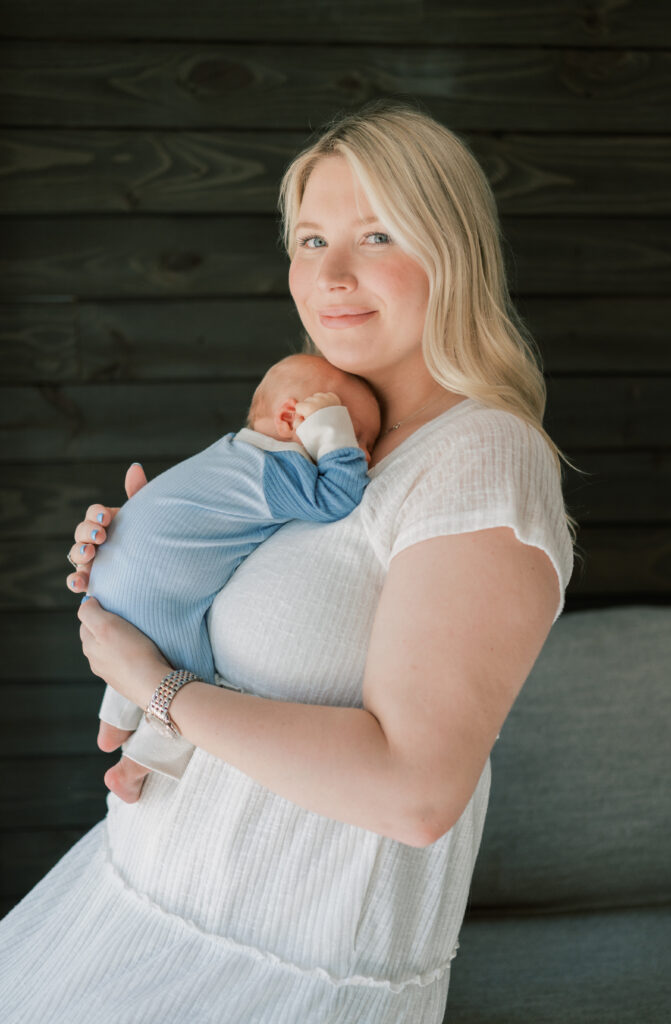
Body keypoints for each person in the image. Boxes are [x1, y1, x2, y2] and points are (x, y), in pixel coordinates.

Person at [0, 101, 575, 1023]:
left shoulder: (480, 460)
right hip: (137, 906)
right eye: (310, 240)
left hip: (273, 974)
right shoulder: (313, 430)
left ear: (454, 252)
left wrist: (156, 688)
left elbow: (416, 793)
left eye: (376, 235)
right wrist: (148, 552)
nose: (331, 274)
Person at [89, 353, 381, 803]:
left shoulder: (231, 451)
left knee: (141, 639)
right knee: (186, 686)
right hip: (156, 587)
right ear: (292, 419)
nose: (364, 456)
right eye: (353, 434)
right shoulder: (277, 469)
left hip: (114, 562)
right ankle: (133, 768)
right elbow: (338, 498)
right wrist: (336, 443)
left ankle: (113, 724)